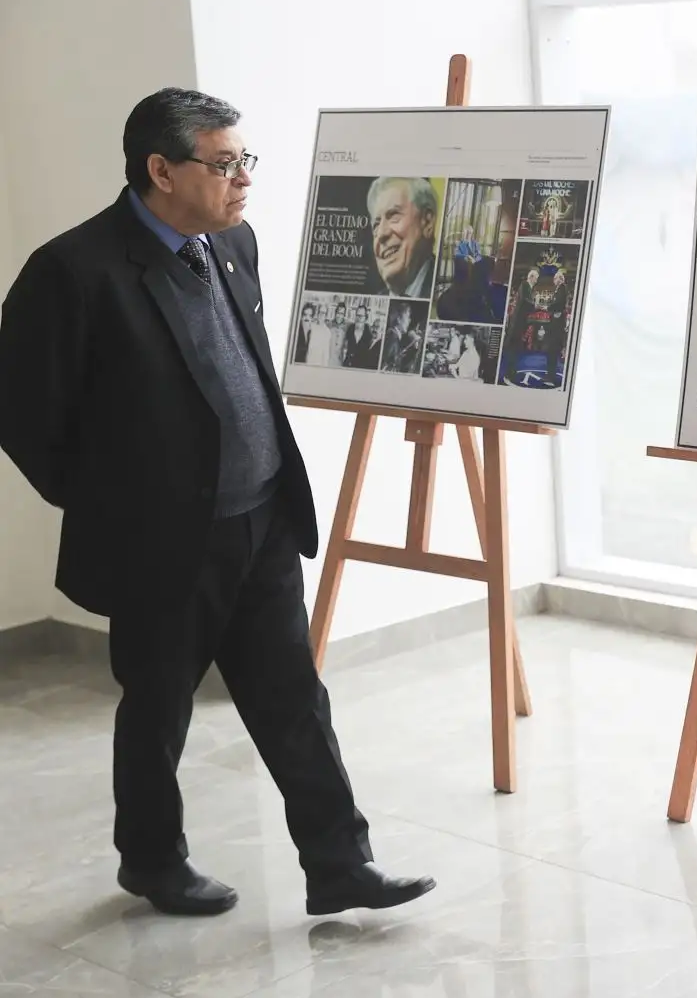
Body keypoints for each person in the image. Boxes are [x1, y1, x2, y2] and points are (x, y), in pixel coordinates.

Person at [0, 88, 432, 917]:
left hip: (261, 518)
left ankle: (340, 863)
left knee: (295, 700)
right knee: (158, 710)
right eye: (224, 163)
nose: (242, 179)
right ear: (160, 170)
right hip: (160, 540)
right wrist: (113, 502)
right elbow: (23, 416)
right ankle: (153, 862)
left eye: (245, 161)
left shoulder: (233, 244)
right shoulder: (74, 271)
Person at [365, 177, 438, 298]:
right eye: (376, 225)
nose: (381, 233)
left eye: (394, 215)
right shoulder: (376, 299)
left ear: (427, 222)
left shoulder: (450, 295)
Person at [341, 302, 381, 369]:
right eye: (357, 315)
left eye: (361, 316)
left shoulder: (369, 335)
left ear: (365, 318)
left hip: (359, 368)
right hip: (346, 367)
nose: (358, 318)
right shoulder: (350, 329)